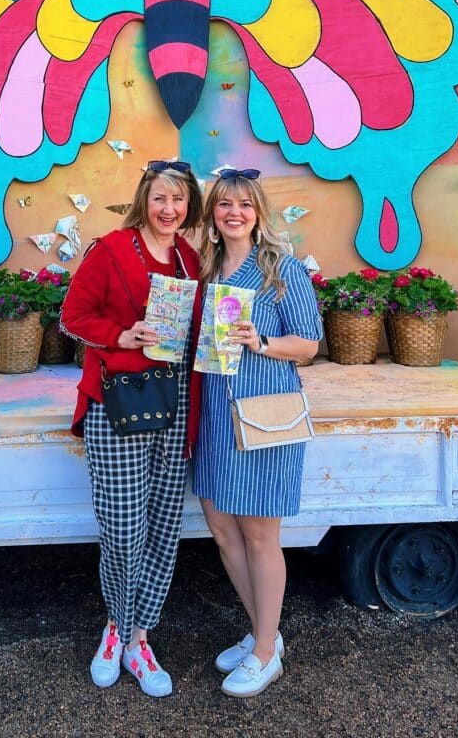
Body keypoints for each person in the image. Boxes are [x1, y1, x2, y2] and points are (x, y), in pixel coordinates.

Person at [60, 160, 203, 698]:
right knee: (123, 527)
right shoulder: (111, 249)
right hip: (119, 401)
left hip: (178, 403)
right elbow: (72, 317)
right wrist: (123, 336)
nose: (170, 209)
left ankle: (141, 637)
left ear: (189, 207)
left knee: (165, 527)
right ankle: (115, 626)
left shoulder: (190, 259)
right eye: (161, 198)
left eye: (180, 200)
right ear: (144, 198)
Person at [193, 169, 322, 697]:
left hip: (265, 415)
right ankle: (261, 633)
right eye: (224, 204)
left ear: (258, 213)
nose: (234, 213)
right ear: (213, 215)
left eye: (244, 205)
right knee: (224, 533)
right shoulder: (201, 271)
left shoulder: (280, 270)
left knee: (260, 536)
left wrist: (260, 340)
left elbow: (310, 344)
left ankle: (266, 652)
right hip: (214, 417)